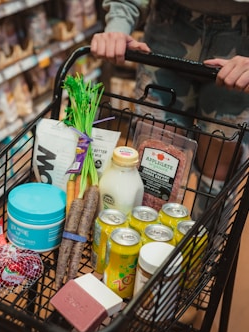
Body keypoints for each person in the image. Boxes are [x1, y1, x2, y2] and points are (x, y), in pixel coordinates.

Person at [91, 0, 249, 218]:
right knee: (154, 165)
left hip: (242, 50)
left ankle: (204, 245)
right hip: (167, 28)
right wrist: (118, 25)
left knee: (218, 173)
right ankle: (144, 240)